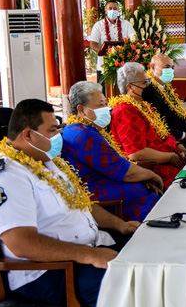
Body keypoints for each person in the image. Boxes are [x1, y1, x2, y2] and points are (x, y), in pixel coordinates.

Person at [0, 99, 139, 307]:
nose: (58, 136)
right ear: (28, 135)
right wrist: (90, 255)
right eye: (52, 130)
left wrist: (120, 225)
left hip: (86, 249)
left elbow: (80, 203)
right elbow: (21, 243)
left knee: (149, 256)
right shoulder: (7, 177)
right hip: (49, 272)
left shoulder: (44, 161)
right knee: (139, 287)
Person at [63, 81, 164, 222]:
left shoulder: (80, 129)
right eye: (100, 105)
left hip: (106, 182)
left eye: (106, 103)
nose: (106, 109)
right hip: (98, 195)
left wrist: (143, 177)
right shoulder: (84, 135)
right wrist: (152, 176)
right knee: (149, 194)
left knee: (146, 188)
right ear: (81, 110)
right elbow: (122, 171)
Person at [110, 62, 186, 188]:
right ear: (130, 87)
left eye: (148, 82)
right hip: (157, 169)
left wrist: (177, 144)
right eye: (144, 83)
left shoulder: (143, 105)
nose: (148, 86)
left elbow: (161, 133)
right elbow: (136, 153)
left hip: (171, 160)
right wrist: (169, 157)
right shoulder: (125, 111)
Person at [141, 54, 186, 156]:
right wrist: (184, 136)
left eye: (172, 67)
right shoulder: (150, 91)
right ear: (153, 67)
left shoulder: (166, 88)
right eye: (166, 67)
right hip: (169, 141)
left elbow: (177, 117)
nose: (171, 70)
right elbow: (158, 124)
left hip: (180, 135)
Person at [88, 0, 136, 69]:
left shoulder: (126, 24)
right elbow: (93, 44)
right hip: (104, 65)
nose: (112, 10)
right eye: (110, 8)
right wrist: (106, 54)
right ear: (106, 11)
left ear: (118, 10)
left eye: (115, 8)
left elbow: (134, 38)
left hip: (123, 65)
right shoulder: (98, 25)